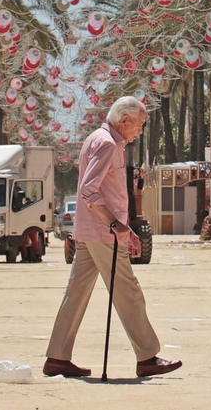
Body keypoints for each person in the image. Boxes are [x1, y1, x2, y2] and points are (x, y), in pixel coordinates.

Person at [44, 97, 182, 378]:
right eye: (139, 124)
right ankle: (147, 356)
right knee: (128, 292)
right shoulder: (107, 143)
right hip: (102, 233)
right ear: (125, 120)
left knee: (76, 294)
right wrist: (115, 225)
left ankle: (57, 357)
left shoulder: (102, 140)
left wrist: (124, 227)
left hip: (93, 231)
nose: (140, 131)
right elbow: (89, 189)